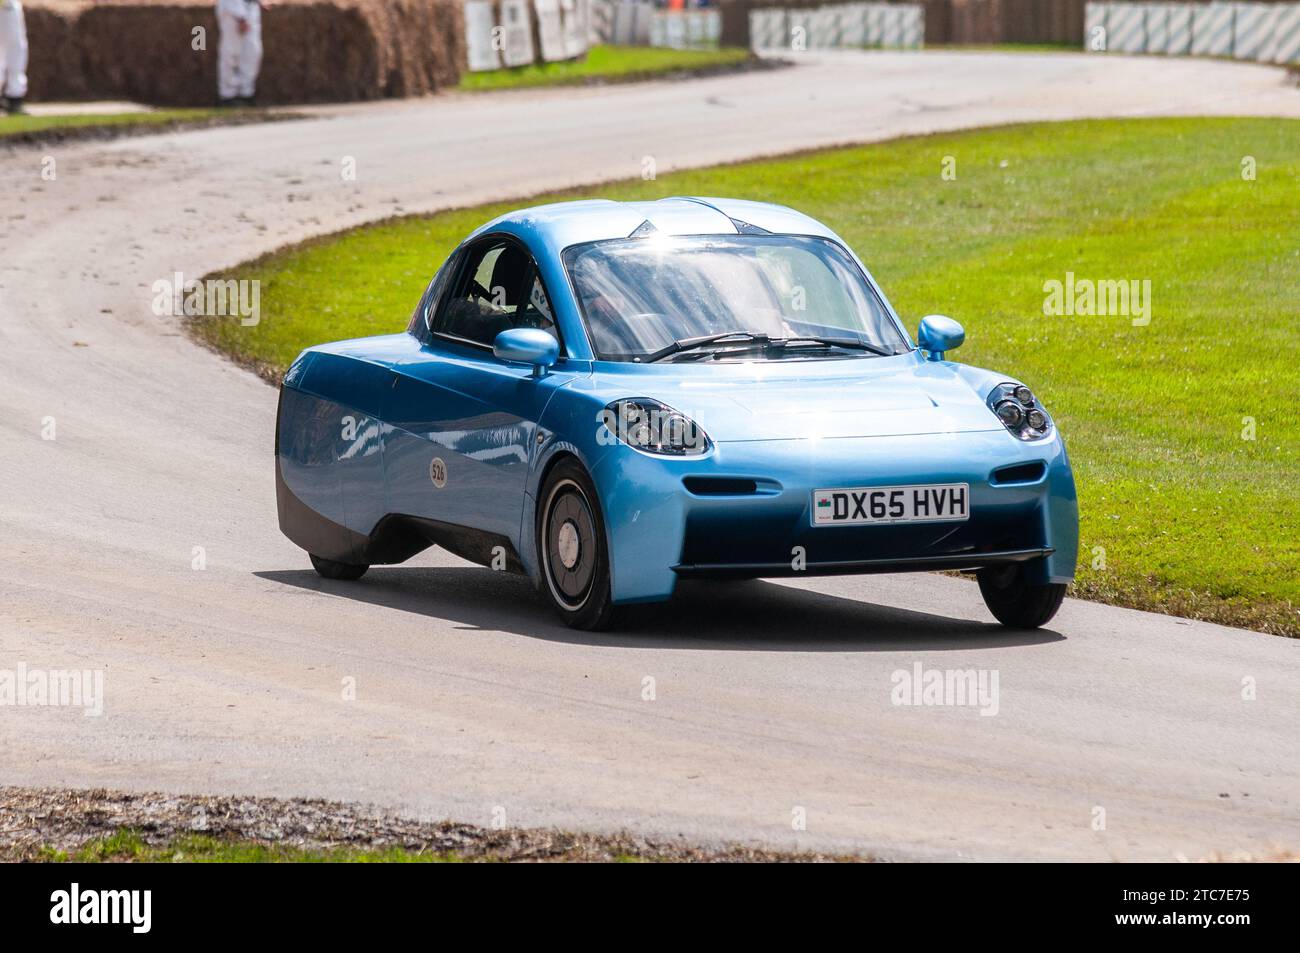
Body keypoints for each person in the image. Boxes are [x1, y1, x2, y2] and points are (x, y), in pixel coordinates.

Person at [216, 0, 263, 107]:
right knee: (231, 53)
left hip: (251, 7)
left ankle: (246, 93)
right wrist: (240, 17)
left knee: (253, 52)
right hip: (232, 7)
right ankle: (227, 96)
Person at [0, 0, 27, 115]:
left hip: (9, 8)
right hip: (6, 9)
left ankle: (14, 99)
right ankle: (13, 99)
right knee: (15, 50)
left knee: (16, 51)